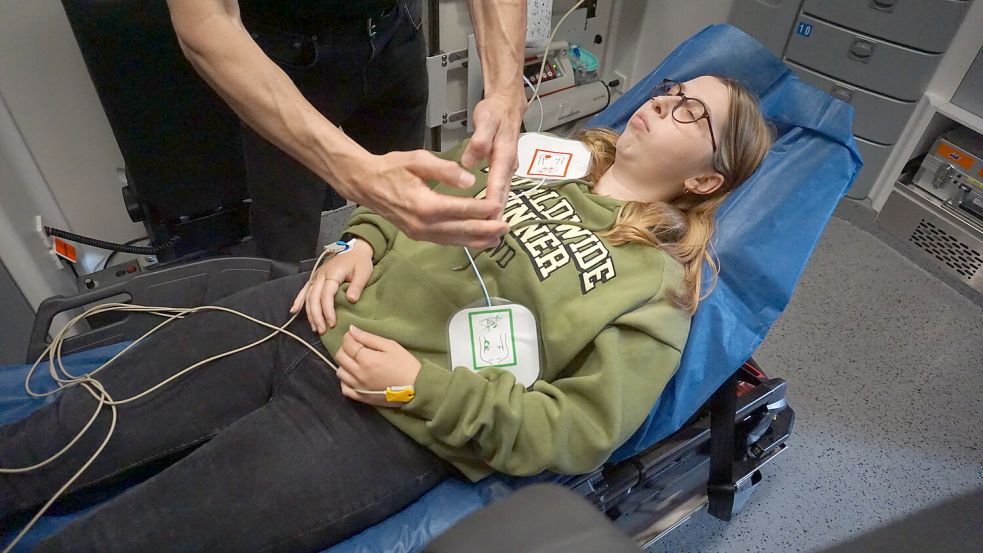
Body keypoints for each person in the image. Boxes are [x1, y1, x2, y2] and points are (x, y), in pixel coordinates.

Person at [0, 76, 773, 552]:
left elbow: (576, 431)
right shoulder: (547, 156)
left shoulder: (658, 289)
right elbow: (420, 198)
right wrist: (359, 243)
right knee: (61, 433)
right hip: (307, 309)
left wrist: (420, 388)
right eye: (672, 90)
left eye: (689, 113)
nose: (662, 104)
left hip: (387, 424)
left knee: (131, 537)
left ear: (706, 180)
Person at [166, 0, 527, 262]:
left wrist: (506, 90)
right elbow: (205, 21)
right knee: (287, 241)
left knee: (404, 218)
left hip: (395, 28)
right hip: (282, 53)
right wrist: (353, 174)